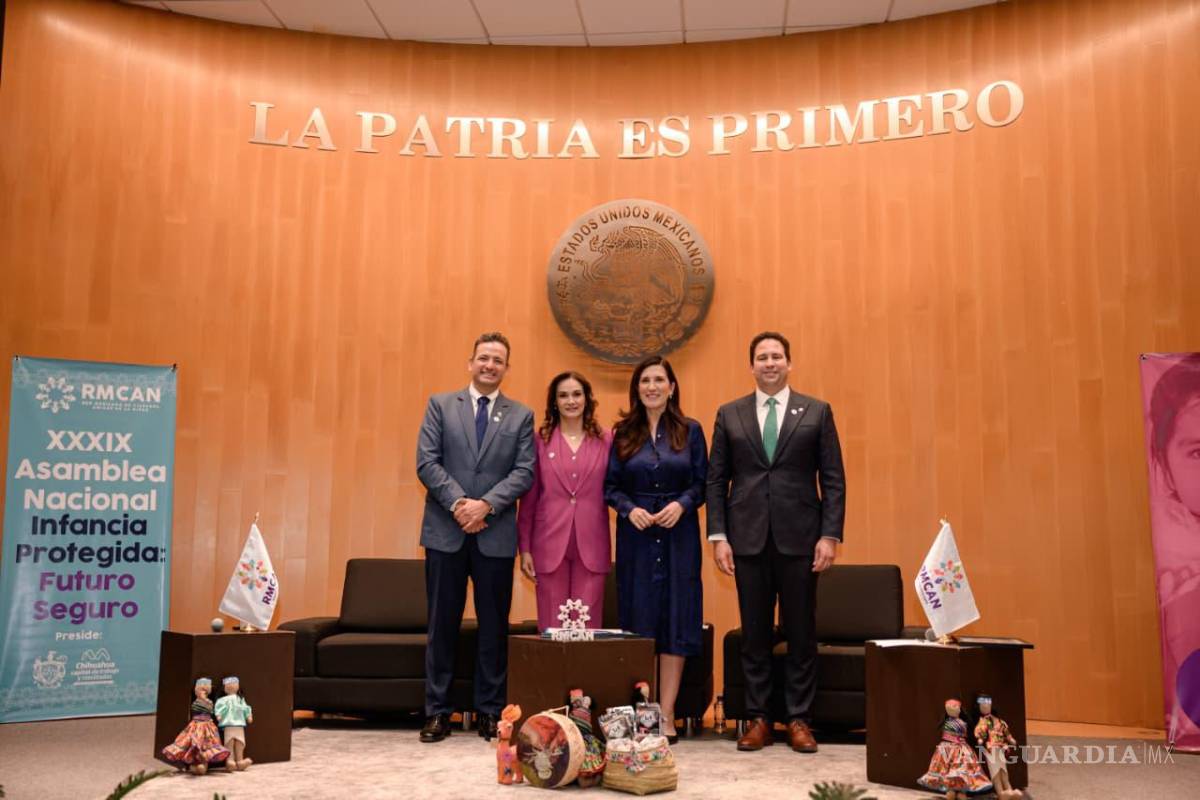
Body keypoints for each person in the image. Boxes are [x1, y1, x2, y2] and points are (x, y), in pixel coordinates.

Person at [706, 331, 845, 753]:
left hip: (801, 539)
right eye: (762, 357)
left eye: (777, 356)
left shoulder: (817, 412)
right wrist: (718, 536)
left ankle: (799, 719)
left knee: (802, 632)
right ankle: (760, 718)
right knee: (755, 634)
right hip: (746, 540)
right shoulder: (730, 414)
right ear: (751, 366)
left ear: (789, 363)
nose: (769, 363)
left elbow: (833, 479)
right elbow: (716, 481)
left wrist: (829, 534)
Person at [416, 332, 535, 743]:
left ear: (506, 368)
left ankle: (490, 711)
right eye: (483, 358)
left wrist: (485, 506)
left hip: (495, 533)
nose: (489, 365)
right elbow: (427, 462)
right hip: (445, 532)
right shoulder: (440, 405)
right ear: (470, 363)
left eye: (498, 360)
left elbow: (524, 472)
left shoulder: (520, 416)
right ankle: (437, 711)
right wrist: (460, 505)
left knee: (493, 628)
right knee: (441, 625)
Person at [604, 355, 707, 743]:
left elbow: (702, 483)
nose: (651, 386)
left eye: (658, 380)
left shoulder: (691, 430)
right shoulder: (622, 433)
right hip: (636, 537)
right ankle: (642, 714)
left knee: (676, 620)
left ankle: (666, 714)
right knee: (640, 619)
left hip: (679, 535)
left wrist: (680, 505)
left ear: (671, 386)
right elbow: (610, 487)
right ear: (637, 388)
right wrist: (630, 511)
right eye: (645, 380)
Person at [517, 371, 613, 631]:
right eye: (563, 395)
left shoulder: (607, 440)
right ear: (554, 402)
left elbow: (617, 488)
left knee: (586, 628)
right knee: (552, 626)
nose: (571, 401)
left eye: (576, 394)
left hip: (592, 545)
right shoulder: (539, 441)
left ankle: (584, 674)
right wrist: (524, 547)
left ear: (587, 399)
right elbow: (529, 498)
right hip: (548, 546)